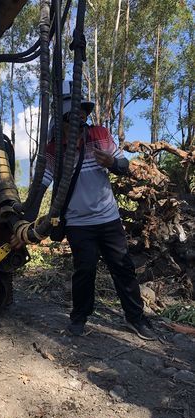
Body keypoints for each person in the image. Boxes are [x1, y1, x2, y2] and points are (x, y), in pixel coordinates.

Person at [20, 94, 155, 341]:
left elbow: (125, 167)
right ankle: (79, 318)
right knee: (84, 270)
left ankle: (136, 318)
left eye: (84, 113)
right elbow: (43, 184)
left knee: (123, 268)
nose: (82, 116)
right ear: (61, 121)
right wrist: (26, 219)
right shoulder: (55, 150)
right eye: (75, 114)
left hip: (108, 218)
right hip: (78, 223)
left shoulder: (100, 136)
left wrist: (113, 162)